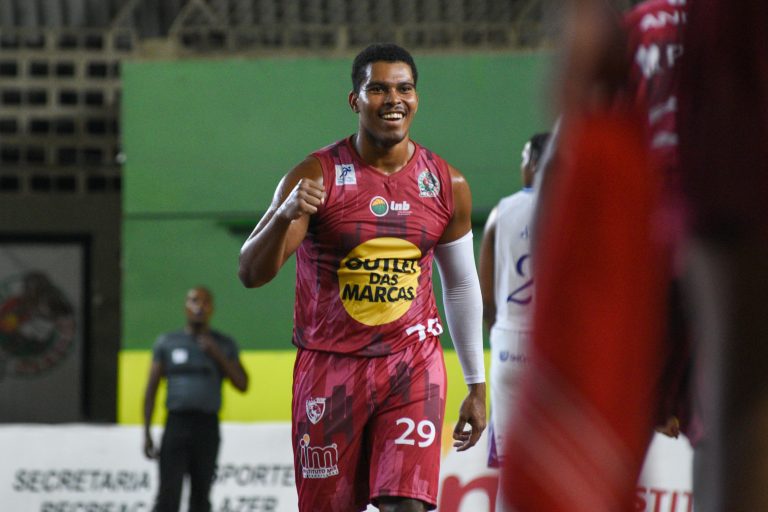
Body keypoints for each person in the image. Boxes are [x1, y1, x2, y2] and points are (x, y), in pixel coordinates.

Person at [238, 43, 486, 512]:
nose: (393, 100)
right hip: (330, 369)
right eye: (378, 89)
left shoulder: (446, 184)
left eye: (404, 89)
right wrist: (283, 215)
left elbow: (460, 285)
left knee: (407, 506)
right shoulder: (316, 176)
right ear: (355, 100)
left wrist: (476, 383)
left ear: (416, 98)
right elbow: (250, 272)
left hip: (412, 363)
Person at [478, 132, 549, 512]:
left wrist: (498, 334)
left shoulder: (501, 212)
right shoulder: (575, 210)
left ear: (535, 163)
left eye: (523, 158)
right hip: (553, 350)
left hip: (508, 341)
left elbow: (485, 297)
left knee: (512, 470)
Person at [143, 286, 249, 512]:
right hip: (176, 424)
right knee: (168, 494)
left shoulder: (223, 343)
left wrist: (217, 354)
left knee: (201, 495)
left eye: (205, 301)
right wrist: (147, 433)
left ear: (212, 308)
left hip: (207, 426)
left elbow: (242, 384)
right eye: (194, 300)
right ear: (185, 306)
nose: (199, 306)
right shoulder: (168, 342)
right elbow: (151, 390)